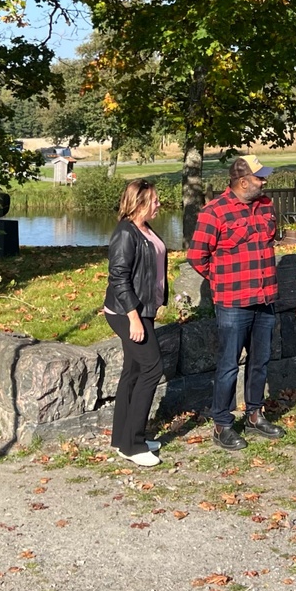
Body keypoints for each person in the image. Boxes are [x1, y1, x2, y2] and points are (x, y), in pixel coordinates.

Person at [187, 155, 286, 450]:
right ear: (243, 181)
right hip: (233, 302)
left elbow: (270, 240)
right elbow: (196, 257)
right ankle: (222, 424)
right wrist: (221, 280)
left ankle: (255, 414)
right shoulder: (213, 212)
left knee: (261, 360)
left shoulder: (266, 205)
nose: (264, 181)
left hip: (265, 297)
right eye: (260, 177)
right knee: (229, 364)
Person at [103, 179, 168, 467]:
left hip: (143, 310)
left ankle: (122, 438)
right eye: (154, 200)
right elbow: (118, 278)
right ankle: (134, 444)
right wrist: (134, 318)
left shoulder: (144, 229)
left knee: (133, 370)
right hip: (125, 313)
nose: (158, 204)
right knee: (153, 369)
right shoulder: (125, 233)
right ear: (139, 203)